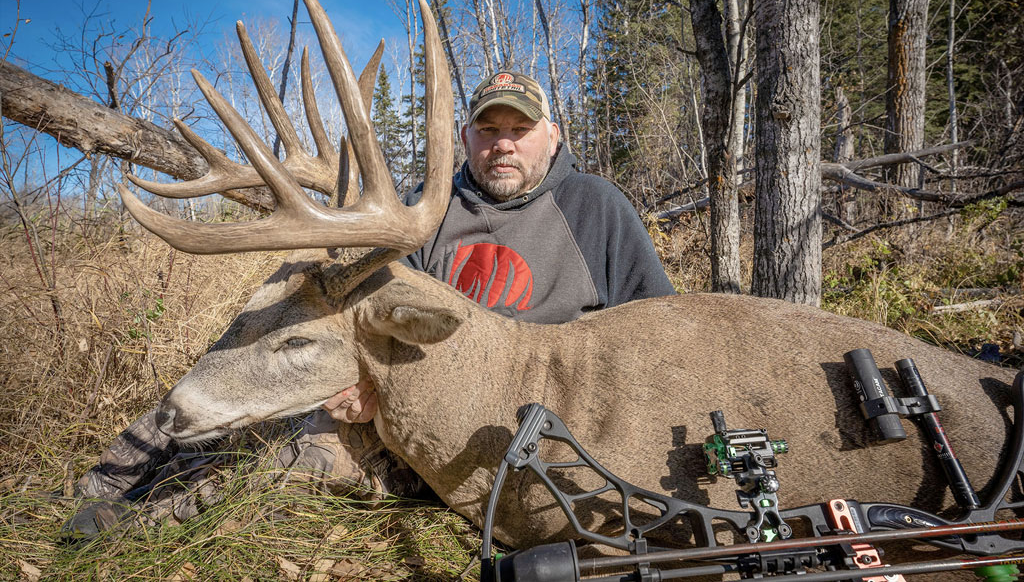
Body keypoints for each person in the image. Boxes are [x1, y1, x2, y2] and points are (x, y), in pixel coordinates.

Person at [63, 70, 675, 538]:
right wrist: (365, 381)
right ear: (466, 137)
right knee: (275, 371)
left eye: (520, 130)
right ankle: (106, 480)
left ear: (552, 136)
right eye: (489, 130)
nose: (503, 145)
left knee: (297, 458)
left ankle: (140, 530)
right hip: (413, 400)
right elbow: (367, 313)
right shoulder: (424, 213)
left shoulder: (597, 208)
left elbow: (654, 330)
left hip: (539, 419)